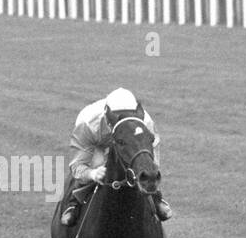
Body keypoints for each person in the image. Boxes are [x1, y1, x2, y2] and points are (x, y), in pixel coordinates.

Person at [60, 88, 172, 226]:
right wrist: (92, 174)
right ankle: (73, 204)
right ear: (108, 116)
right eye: (118, 116)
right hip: (97, 143)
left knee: (143, 167)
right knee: (99, 163)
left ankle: (156, 198)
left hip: (129, 143)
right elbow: (77, 166)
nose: (124, 120)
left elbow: (151, 161)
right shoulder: (87, 124)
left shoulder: (145, 124)